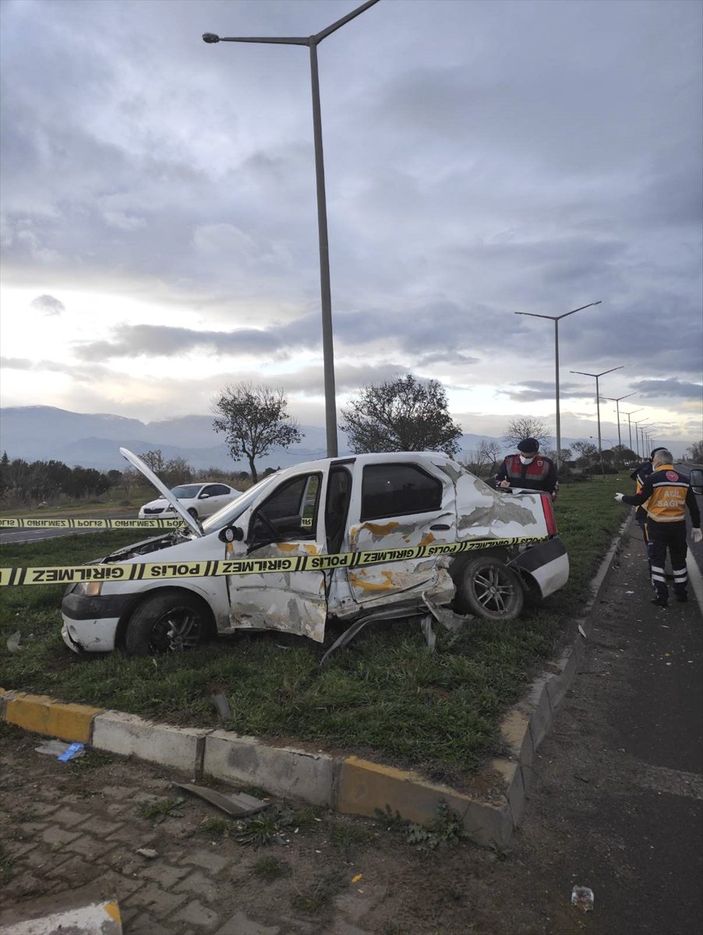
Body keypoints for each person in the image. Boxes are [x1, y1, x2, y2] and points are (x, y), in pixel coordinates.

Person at [615, 448, 702, 607]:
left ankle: (662, 596)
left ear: (659, 461)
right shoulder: (684, 480)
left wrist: (623, 498)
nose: (652, 462)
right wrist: (696, 526)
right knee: (679, 561)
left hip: (657, 527)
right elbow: (694, 508)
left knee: (657, 561)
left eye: (654, 459)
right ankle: (681, 593)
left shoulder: (653, 479)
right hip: (678, 527)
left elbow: (638, 500)